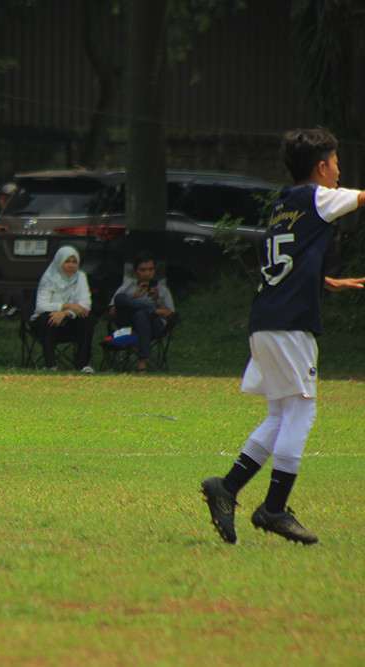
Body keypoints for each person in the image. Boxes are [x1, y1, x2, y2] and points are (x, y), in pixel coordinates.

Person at [201, 127, 365, 545]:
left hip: (265, 320)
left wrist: (327, 282)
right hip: (290, 324)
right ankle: (273, 508)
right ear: (322, 167)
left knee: (279, 415)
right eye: (337, 164)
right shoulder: (319, 196)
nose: (339, 172)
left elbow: (287, 258)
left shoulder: (283, 205)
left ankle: (226, 488)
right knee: (302, 412)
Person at [108, 251, 177, 373]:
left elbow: (171, 316)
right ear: (135, 272)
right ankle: (152, 310)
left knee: (141, 315)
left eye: (150, 270)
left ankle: (142, 361)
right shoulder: (127, 287)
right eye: (142, 270)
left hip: (154, 326)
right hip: (129, 324)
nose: (147, 274)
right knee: (121, 298)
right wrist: (134, 296)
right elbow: (112, 312)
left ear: (154, 271)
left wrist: (157, 300)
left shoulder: (162, 291)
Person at [31, 245, 95, 372]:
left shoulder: (81, 277)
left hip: (70, 322)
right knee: (46, 318)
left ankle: (83, 364)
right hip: (51, 325)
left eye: (74, 262)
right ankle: (50, 365)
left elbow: (85, 304)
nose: (71, 265)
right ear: (59, 262)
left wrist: (66, 313)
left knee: (87, 319)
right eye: (67, 262)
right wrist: (65, 306)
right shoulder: (49, 278)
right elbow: (41, 306)